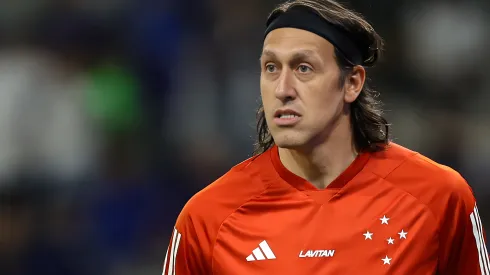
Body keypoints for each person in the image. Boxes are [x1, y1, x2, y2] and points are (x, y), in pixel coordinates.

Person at [162, 0, 489, 274]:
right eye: (271, 68)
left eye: (304, 68)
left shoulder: (438, 198)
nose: (283, 89)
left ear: (352, 83)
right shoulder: (208, 218)